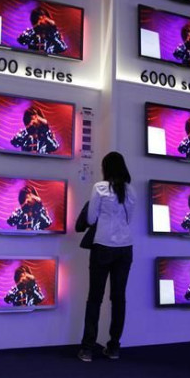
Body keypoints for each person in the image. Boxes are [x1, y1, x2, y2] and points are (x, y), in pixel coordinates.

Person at [78, 152, 136, 362]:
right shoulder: (131, 190)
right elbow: (130, 219)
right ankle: (114, 347)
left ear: (106, 168)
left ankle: (87, 349)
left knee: (95, 298)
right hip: (125, 248)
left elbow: (91, 217)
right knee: (118, 299)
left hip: (102, 246)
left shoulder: (100, 188)